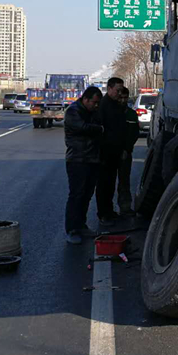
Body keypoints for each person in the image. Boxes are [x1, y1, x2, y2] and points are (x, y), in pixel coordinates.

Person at [63, 86, 104, 245]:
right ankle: (72, 229)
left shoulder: (92, 112)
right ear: (85, 99)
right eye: (94, 102)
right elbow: (83, 128)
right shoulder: (73, 111)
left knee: (87, 195)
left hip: (92, 158)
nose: (96, 105)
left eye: (98, 103)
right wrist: (100, 128)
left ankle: (81, 225)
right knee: (76, 195)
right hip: (77, 160)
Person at [96, 76, 126, 226]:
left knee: (111, 183)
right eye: (117, 90)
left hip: (115, 151)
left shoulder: (116, 104)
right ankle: (103, 213)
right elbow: (101, 130)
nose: (119, 93)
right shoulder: (103, 105)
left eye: (121, 90)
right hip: (105, 152)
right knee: (103, 185)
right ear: (109, 89)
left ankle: (109, 211)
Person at [116, 86, 140, 216]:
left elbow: (134, 134)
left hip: (125, 153)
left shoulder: (131, 114)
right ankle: (106, 211)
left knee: (124, 182)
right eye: (121, 97)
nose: (123, 100)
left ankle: (125, 207)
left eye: (125, 98)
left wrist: (127, 149)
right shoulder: (111, 112)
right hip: (111, 153)